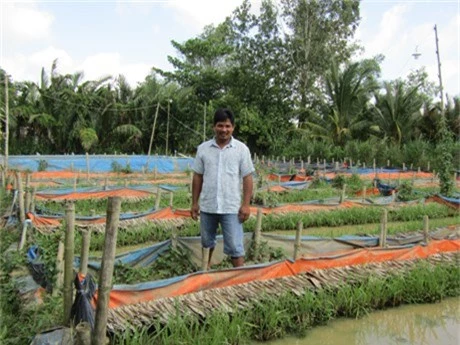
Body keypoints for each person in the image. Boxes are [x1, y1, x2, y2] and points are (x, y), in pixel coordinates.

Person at [191, 108, 254, 268]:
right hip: (208, 205)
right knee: (207, 243)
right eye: (220, 126)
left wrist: (246, 204)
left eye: (227, 126)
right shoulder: (203, 149)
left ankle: (240, 280)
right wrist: (194, 203)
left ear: (233, 127)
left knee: (235, 246)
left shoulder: (241, 149)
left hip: (231, 207)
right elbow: (198, 176)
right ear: (214, 126)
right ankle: (205, 274)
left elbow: (247, 177)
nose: (224, 130)